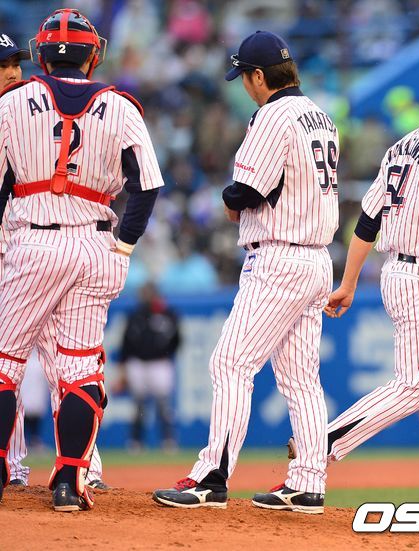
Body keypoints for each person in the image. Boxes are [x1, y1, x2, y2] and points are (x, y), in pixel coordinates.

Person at [291, 68, 419, 504]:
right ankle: (323, 440)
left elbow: (368, 221)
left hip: (406, 271)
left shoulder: (402, 146)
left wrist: (349, 282)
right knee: (415, 385)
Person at [153, 30, 339, 514]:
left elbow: (246, 191)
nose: (244, 86)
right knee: (301, 379)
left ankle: (212, 477)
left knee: (230, 363)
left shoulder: (273, 115)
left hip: (278, 257)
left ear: (259, 75)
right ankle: (309, 482)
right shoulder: (320, 115)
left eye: (245, 77)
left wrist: (228, 198)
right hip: (317, 259)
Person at [0, 8, 163, 510]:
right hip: (95, 245)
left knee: (5, 363)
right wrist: (124, 245)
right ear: (93, 55)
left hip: (32, 240)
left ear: (42, 55)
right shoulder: (121, 106)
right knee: (80, 369)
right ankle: (70, 482)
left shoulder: (11, 102)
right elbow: (147, 187)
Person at [0, 31, 108, 490]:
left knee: (56, 359)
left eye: (14, 63)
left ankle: (82, 468)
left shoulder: (27, 112)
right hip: (21, 245)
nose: (11, 72)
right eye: (2, 67)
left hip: (31, 249)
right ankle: (17, 465)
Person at [117, 282, 181, 450]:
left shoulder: (167, 314)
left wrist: (167, 355)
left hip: (160, 363)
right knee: (139, 404)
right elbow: (125, 344)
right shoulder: (135, 315)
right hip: (138, 363)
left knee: (163, 404)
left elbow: (177, 340)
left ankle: (168, 439)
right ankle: (136, 441)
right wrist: (122, 369)